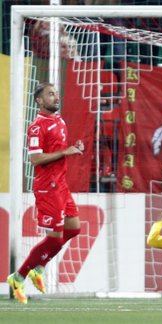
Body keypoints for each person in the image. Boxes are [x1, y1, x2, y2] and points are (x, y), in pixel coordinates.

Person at [7, 82, 85, 304]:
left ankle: (39, 267)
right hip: (47, 187)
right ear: (40, 101)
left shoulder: (59, 120)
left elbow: (57, 150)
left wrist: (73, 148)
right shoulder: (36, 126)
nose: (56, 96)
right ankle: (18, 277)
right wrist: (65, 151)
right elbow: (35, 159)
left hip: (60, 185)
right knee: (54, 238)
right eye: (50, 94)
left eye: (56, 93)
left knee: (74, 228)